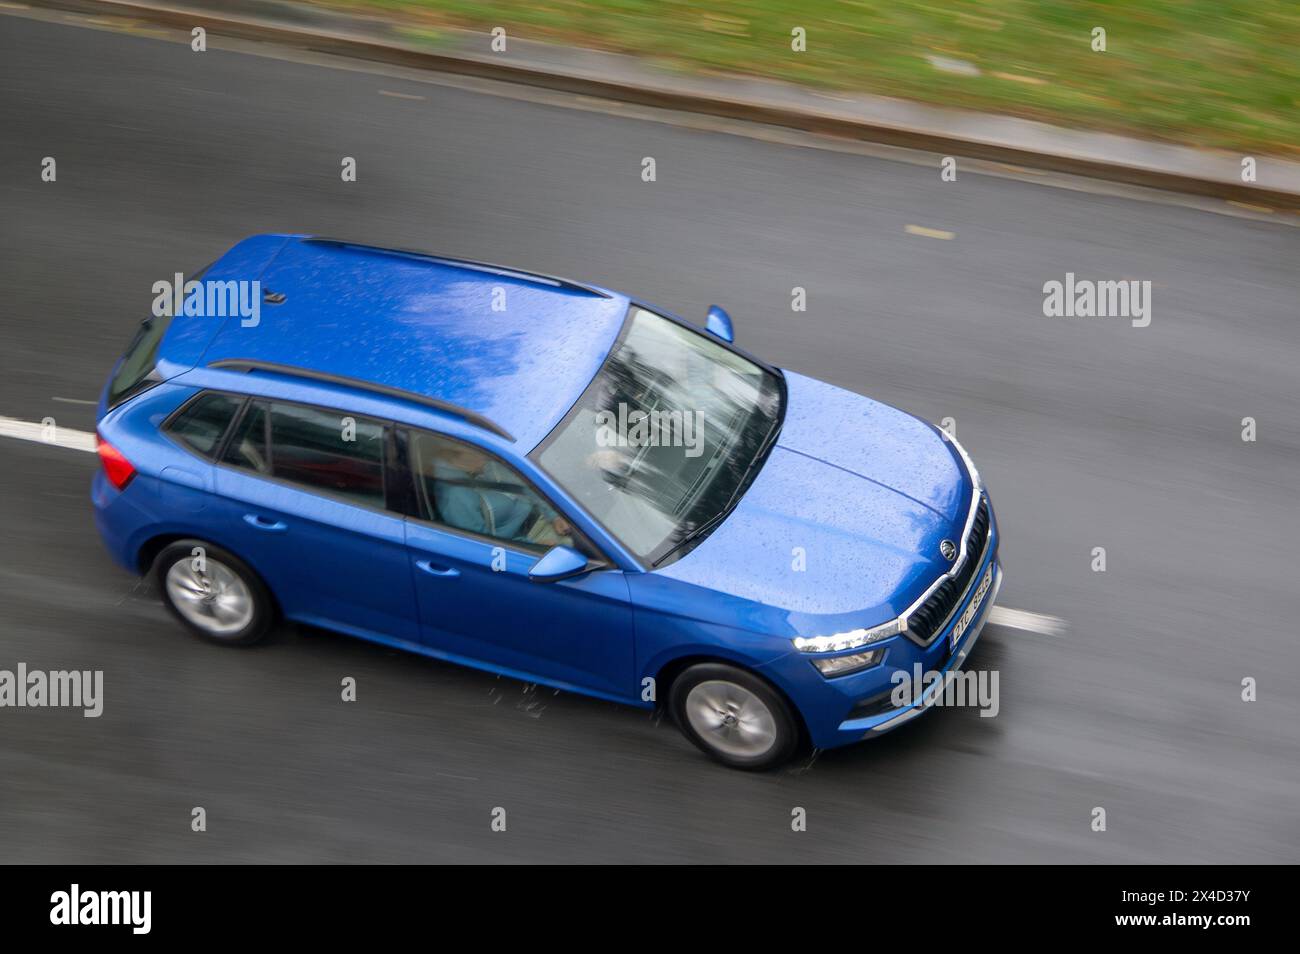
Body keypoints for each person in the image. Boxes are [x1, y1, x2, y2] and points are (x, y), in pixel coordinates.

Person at [429, 442, 572, 546]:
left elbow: (524, 485)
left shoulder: (483, 465)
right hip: (525, 541)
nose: (485, 454)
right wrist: (534, 545)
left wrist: (553, 515)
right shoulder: (456, 496)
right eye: (476, 450)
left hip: (543, 515)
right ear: (457, 458)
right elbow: (484, 545)